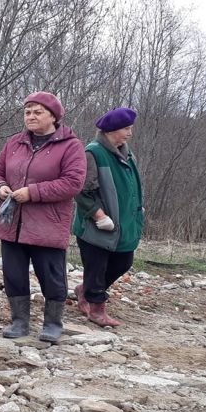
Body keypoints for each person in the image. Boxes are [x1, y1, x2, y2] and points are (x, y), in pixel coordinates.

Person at [0, 91, 86, 344]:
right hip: (12, 222)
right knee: (13, 273)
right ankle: (19, 321)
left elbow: (73, 183)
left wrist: (32, 193)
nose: (30, 116)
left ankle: (53, 323)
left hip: (48, 224)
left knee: (51, 275)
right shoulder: (14, 143)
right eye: (27, 112)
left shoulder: (71, 146)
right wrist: (0, 188)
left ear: (53, 117)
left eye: (37, 112)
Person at [72, 107, 144, 327]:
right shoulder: (93, 153)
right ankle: (96, 310)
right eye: (126, 128)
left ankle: (85, 290)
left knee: (123, 261)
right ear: (112, 130)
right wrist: (98, 215)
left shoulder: (126, 153)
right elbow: (82, 190)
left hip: (123, 225)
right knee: (97, 266)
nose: (130, 133)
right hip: (97, 225)